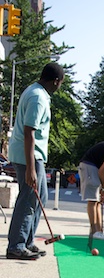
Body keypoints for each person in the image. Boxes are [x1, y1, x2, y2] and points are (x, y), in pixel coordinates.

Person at [6, 62, 64, 260]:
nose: (59, 87)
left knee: (41, 198)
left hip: (31, 154)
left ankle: (27, 241)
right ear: (55, 81)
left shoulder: (34, 91)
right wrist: (31, 167)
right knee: (28, 199)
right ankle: (16, 245)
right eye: (60, 84)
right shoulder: (38, 97)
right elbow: (29, 132)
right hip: (28, 156)